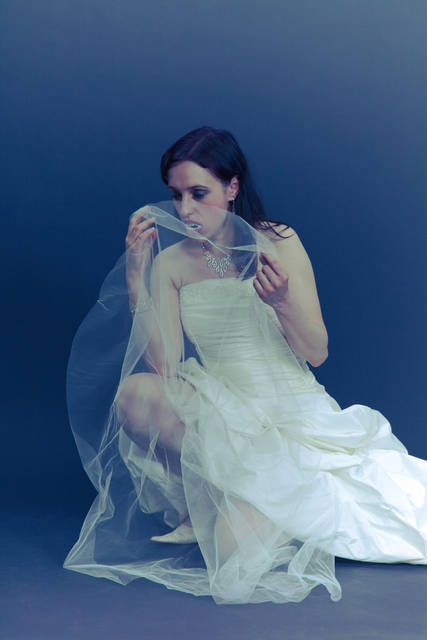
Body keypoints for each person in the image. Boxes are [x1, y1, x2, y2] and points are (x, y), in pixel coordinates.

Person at [64, 126, 427, 606]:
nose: (185, 210)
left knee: (233, 557)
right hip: (221, 412)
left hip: (288, 418)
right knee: (136, 393)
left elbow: (316, 352)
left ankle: (264, 507)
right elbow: (164, 365)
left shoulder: (279, 241)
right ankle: (211, 497)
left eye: (199, 193)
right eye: (176, 195)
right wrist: (137, 276)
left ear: (232, 187)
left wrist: (282, 303)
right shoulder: (171, 263)